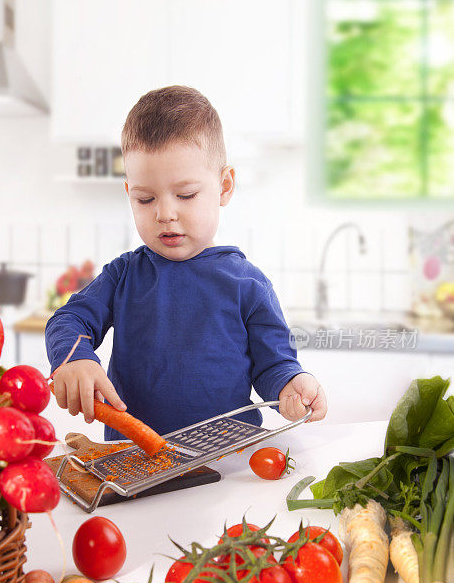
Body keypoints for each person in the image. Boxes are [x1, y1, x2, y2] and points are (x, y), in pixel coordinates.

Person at [46, 85, 327, 440]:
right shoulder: (123, 276)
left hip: (227, 463)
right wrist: (73, 358)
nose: (165, 214)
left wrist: (292, 384)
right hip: (135, 466)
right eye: (145, 199)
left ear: (224, 187)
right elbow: (69, 319)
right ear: (129, 193)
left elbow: (274, 365)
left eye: (186, 195)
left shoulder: (248, 285)